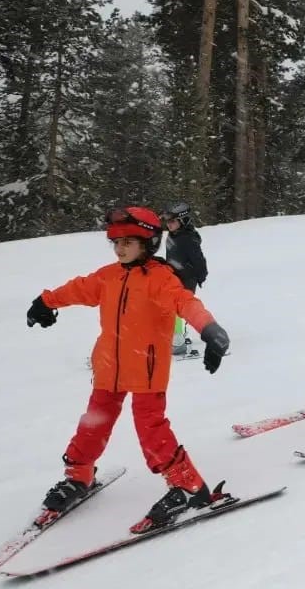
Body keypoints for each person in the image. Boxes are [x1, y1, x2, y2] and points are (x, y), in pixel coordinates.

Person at [26, 207, 230, 533]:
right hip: (108, 367)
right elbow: (79, 288)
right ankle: (79, 475)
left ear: (148, 243)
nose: (120, 248)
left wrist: (209, 329)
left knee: (151, 428)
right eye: (116, 242)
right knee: (94, 422)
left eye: (128, 242)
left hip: (146, 369)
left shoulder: (160, 278)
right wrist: (46, 302)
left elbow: (185, 303)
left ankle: (189, 486)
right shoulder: (109, 276)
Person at [161, 201, 208, 356]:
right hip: (173, 277)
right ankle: (177, 335)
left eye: (172, 221)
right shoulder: (173, 235)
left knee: (177, 307)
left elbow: (198, 259)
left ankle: (178, 341)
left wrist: (201, 275)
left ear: (183, 221)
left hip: (187, 278)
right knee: (172, 307)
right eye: (167, 221)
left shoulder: (188, 238)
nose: (169, 224)